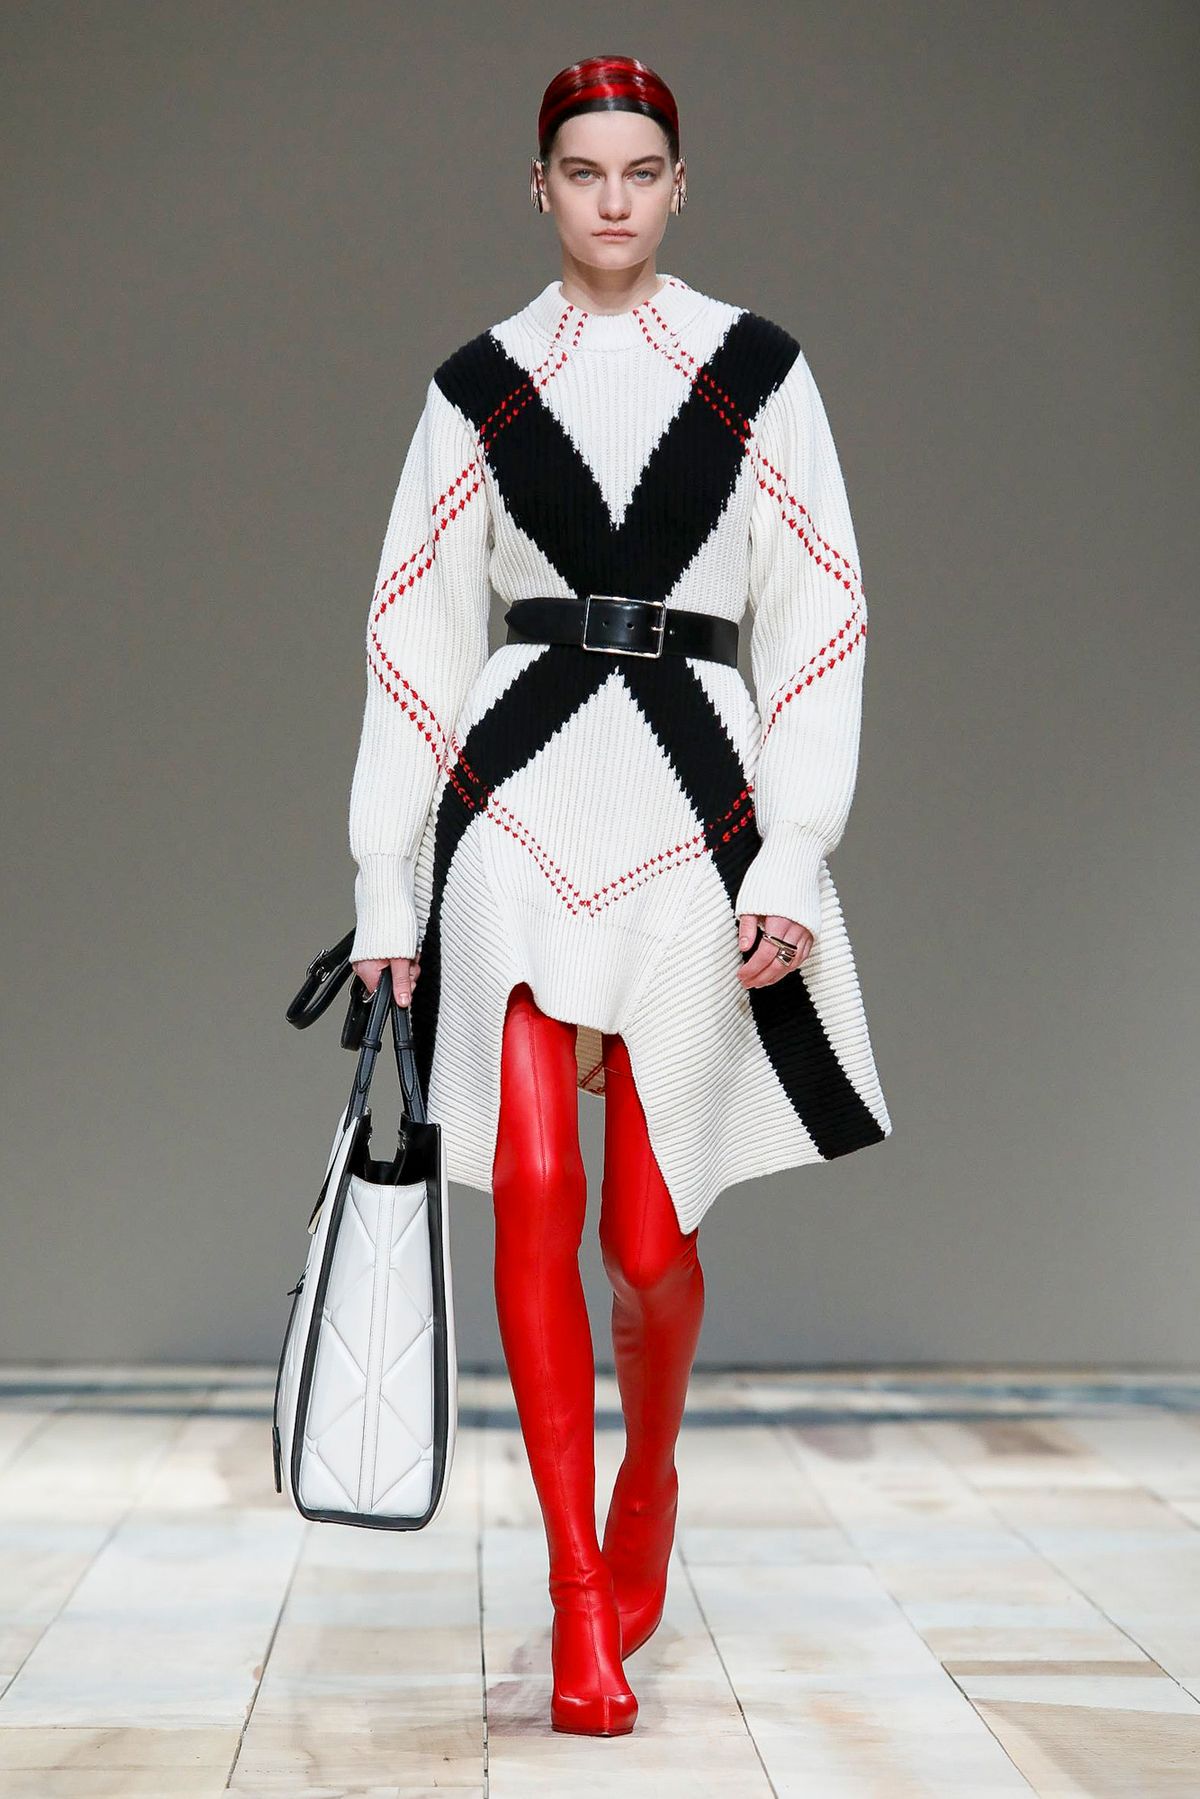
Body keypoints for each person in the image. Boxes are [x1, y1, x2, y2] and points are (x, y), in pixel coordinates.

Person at [349, 54, 893, 1737]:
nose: (610, 199)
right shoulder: (476, 385)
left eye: (639, 171)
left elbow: (821, 615)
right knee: (528, 1181)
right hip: (514, 797)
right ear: (540, 188)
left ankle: (646, 1475)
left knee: (647, 1242)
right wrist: (384, 879)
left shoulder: (756, 372)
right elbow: (414, 632)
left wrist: (795, 848)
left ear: (677, 186)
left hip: (691, 797)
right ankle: (579, 1594)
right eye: (581, 171)